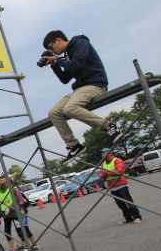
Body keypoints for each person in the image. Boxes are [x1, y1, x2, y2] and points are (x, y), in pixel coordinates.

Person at [42, 31, 122, 164]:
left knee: (70, 109)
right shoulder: (67, 55)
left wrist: (56, 59)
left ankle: (109, 127)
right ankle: (74, 145)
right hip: (80, 89)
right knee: (54, 112)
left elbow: (77, 65)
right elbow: (65, 79)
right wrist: (54, 65)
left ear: (58, 40)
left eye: (51, 47)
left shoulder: (80, 43)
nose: (52, 51)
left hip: (95, 84)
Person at [0, 172, 34, 251]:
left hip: (15, 213)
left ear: (5, 178)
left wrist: (9, 208)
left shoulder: (13, 188)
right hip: (6, 215)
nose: (0, 179)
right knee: (7, 232)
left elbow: (17, 200)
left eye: (2, 177)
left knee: (20, 231)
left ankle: (26, 247)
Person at [98, 147, 143, 224]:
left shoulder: (117, 160)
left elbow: (119, 171)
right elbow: (101, 175)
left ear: (110, 153)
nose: (103, 154)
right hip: (112, 187)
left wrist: (106, 173)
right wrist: (104, 174)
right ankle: (128, 218)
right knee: (121, 205)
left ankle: (137, 216)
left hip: (121, 185)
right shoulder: (103, 163)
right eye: (102, 153)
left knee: (129, 202)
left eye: (104, 152)